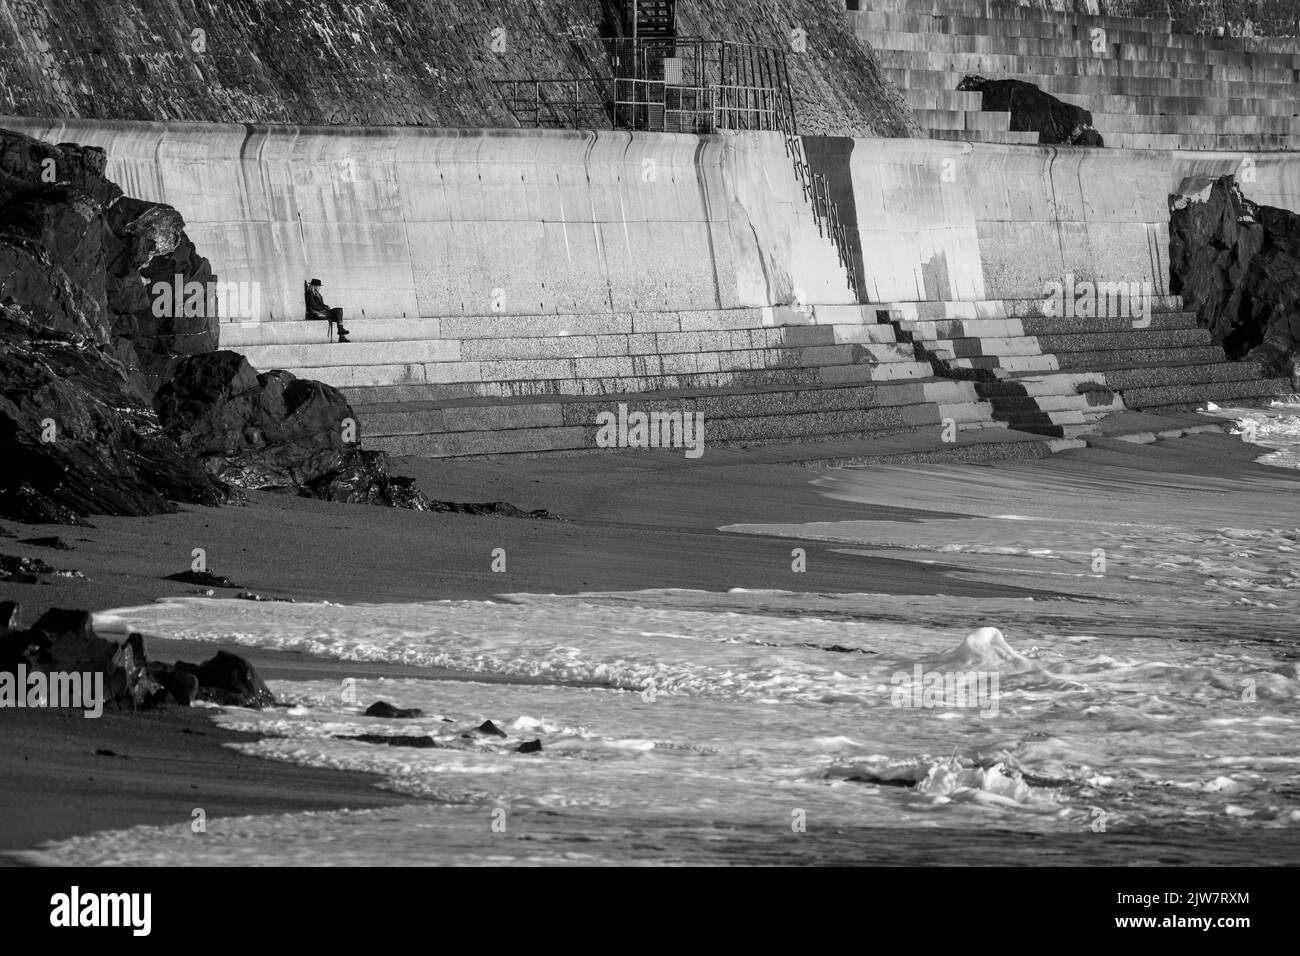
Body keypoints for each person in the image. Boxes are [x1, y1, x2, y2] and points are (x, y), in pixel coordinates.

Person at [304, 278, 350, 343]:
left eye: (319, 286)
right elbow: (313, 306)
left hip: (322, 311)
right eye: (318, 286)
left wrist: (326, 306)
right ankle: (341, 335)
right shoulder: (309, 294)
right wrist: (323, 309)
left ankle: (341, 331)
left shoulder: (318, 294)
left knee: (339, 310)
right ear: (314, 286)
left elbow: (322, 304)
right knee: (338, 314)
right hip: (316, 314)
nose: (320, 287)